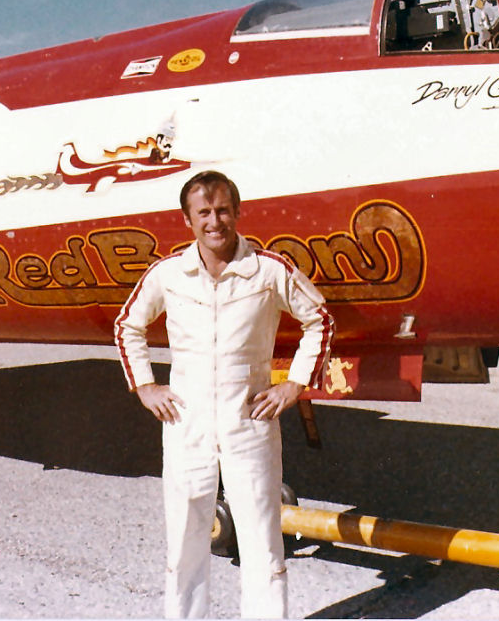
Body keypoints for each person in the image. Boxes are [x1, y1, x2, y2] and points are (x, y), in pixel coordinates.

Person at [114, 170, 334, 618]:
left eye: (223, 210)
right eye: (204, 213)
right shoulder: (169, 273)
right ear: (188, 219)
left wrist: (293, 384)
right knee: (185, 541)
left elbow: (320, 320)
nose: (215, 222)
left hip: (248, 422)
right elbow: (128, 325)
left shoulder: (269, 270)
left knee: (262, 540)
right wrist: (145, 386)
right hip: (185, 422)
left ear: (237, 212)